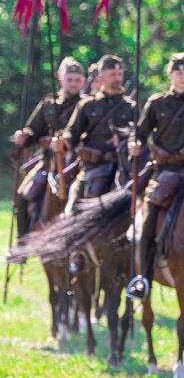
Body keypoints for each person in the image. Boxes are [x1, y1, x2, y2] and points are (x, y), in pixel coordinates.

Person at [126, 52, 184, 301]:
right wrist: (135, 145)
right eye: (179, 73)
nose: (183, 77)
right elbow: (140, 133)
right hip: (164, 173)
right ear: (170, 74)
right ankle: (143, 277)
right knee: (149, 219)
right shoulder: (156, 103)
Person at [60, 54, 135, 272]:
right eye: (113, 74)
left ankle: (141, 253)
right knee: (74, 207)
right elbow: (72, 135)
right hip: (94, 168)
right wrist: (62, 142)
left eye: (120, 74)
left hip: (123, 168)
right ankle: (77, 251)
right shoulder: (87, 105)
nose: (117, 78)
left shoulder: (130, 107)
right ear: (102, 77)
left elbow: (141, 137)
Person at [11, 57, 86, 239]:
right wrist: (24, 136)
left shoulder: (88, 104)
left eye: (77, 80)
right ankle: (23, 240)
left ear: (83, 81)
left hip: (78, 162)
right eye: (70, 80)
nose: (74, 84)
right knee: (23, 194)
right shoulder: (48, 104)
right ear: (61, 80)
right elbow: (33, 129)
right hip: (49, 162)